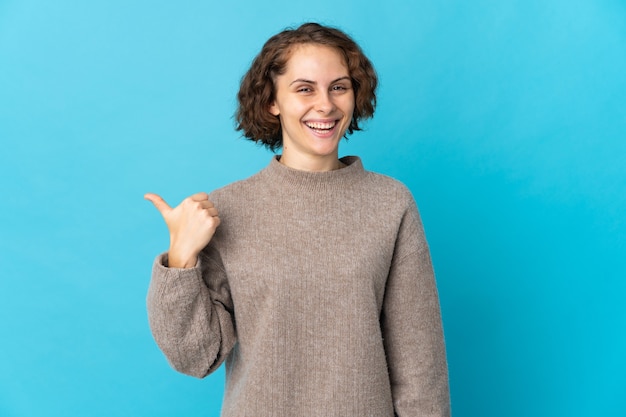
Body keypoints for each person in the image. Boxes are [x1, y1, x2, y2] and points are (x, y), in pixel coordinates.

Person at [145, 22, 450, 417]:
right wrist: (181, 259)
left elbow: (420, 364)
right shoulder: (227, 209)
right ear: (272, 101)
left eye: (338, 87)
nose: (325, 104)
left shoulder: (390, 203)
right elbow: (196, 357)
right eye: (304, 88)